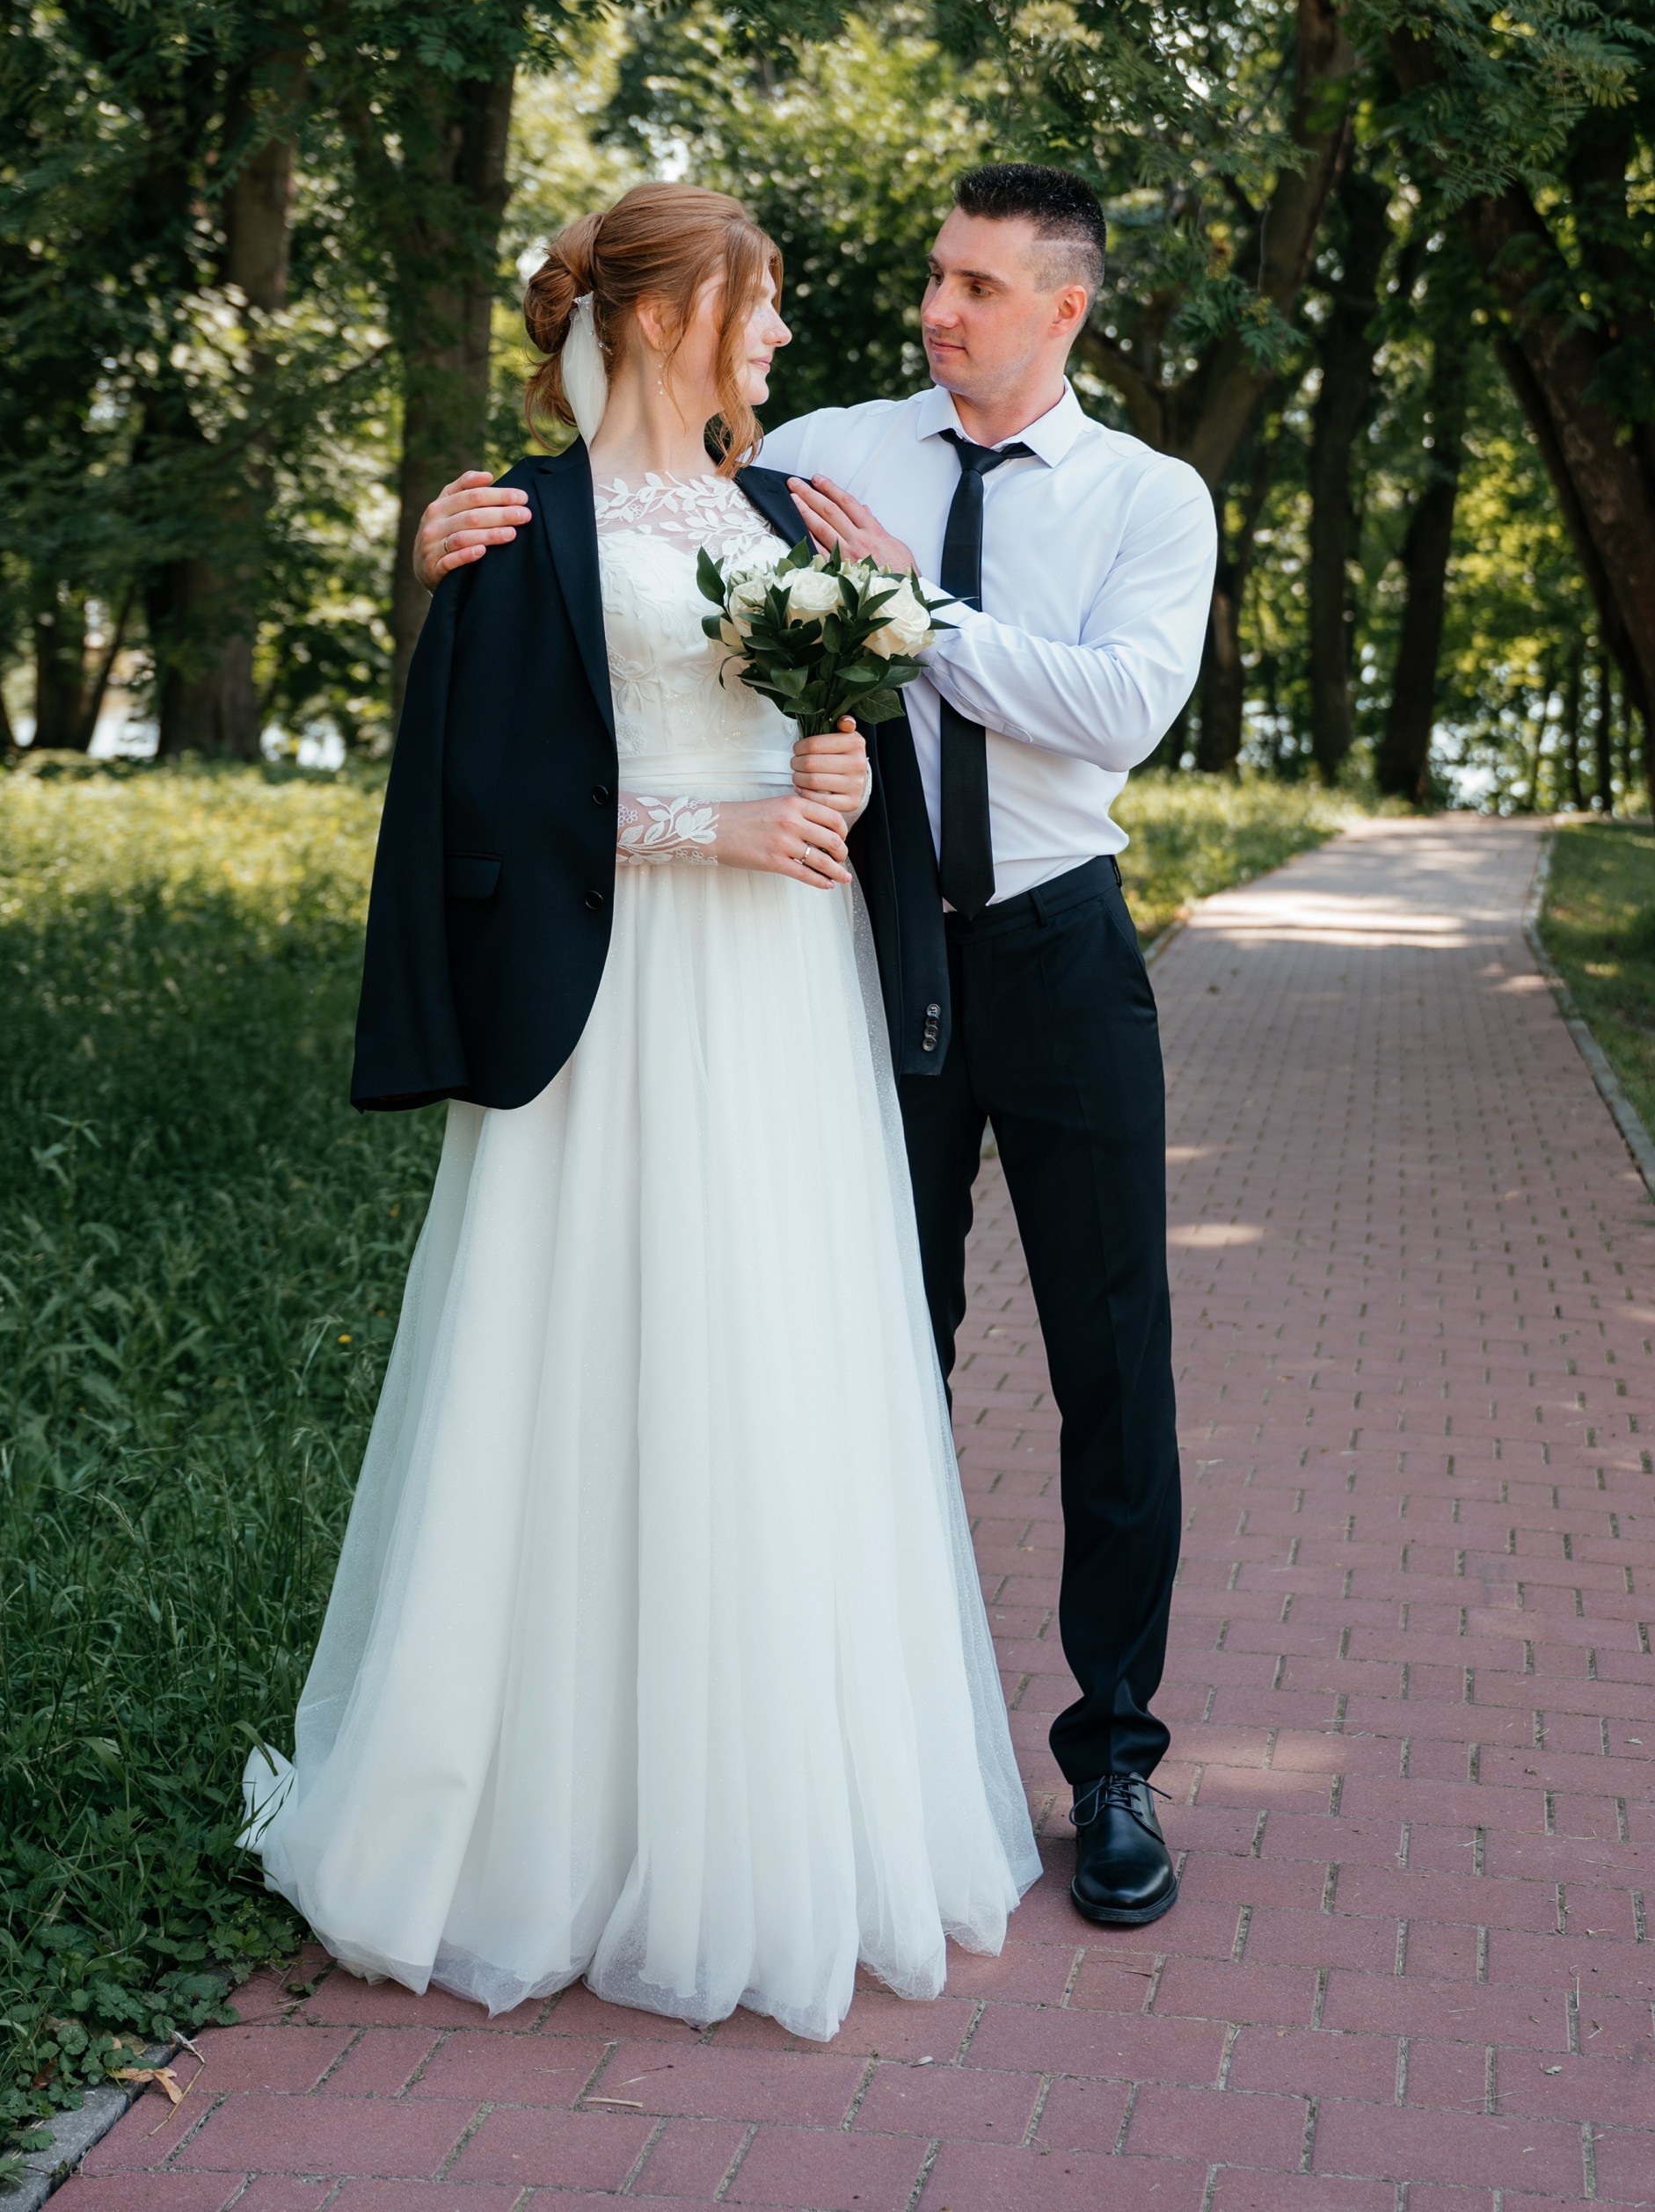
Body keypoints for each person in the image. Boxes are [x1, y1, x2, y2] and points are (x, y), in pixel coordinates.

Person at [244, 183, 1039, 2042]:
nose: (782, 336)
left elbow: (841, 746)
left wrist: (836, 771)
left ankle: (765, 1815)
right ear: (672, 315)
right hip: (611, 997)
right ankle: (541, 1814)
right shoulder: (520, 525)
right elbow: (489, 804)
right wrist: (712, 827)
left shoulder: (784, 516)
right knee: (584, 1348)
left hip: (779, 999)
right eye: (760, 304)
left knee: (770, 1356)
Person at [415, 165, 1217, 1927]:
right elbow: (626, 536)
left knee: (1112, 1357)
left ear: (1065, 307)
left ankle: (1115, 1756)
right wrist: (458, 541)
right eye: (936, 276)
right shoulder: (821, 452)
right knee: (857, 1339)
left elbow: (1115, 708)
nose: (937, 310)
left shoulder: (1151, 498)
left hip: (1060, 942)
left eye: (978, 287)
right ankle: (838, 1731)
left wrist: (905, 617)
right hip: (861, 951)